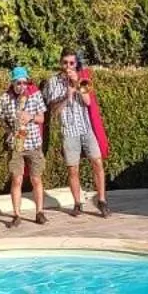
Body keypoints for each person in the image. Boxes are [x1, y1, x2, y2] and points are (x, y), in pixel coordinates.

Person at [45, 49, 113, 218]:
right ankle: (77, 203)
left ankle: (102, 200)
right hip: (69, 129)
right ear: (60, 63)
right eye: (65, 63)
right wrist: (65, 97)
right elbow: (53, 111)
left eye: (71, 63)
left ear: (76, 64)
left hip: (86, 127)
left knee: (97, 161)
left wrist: (77, 84)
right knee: (73, 168)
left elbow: (89, 101)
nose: (68, 66)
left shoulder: (83, 78)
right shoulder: (53, 82)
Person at [0, 67, 50, 228]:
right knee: (17, 179)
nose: (21, 86)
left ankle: (39, 212)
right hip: (16, 144)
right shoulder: (5, 98)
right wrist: (8, 131)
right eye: (18, 83)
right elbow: (1, 119)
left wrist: (30, 117)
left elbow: (42, 118)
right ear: (12, 83)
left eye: (24, 82)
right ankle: (16, 215)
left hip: (33, 143)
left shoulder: (35, 95)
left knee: (36, 178)